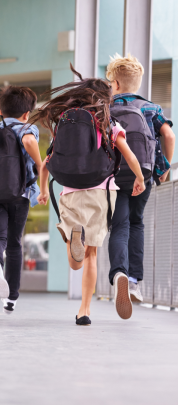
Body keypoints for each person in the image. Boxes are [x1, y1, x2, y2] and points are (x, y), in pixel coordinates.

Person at [34, 66, 145, 325]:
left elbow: (45, 164)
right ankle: (85, 309)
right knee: (92, 254)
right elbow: (128, 154)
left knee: (76, 261)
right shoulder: (108, 122)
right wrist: (139, 178)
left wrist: (41, 191)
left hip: (70, 192)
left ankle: (75, 240)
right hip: (101, 191)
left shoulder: (64, 121)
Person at [106, 54, 175, 316]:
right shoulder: (152, 108)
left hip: (113, 175)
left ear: (115, 84)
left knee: (119, 226)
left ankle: (119, 273)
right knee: (137, 223)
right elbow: (169, 134)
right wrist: (165, 166)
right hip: (143, 176)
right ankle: (133, 282)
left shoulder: (106, 108)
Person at [0, 86, 43, 314]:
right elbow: (28, 142)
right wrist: (40, 164)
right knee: (15, 243)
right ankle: (11, 298)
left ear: (0, 111)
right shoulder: (28, 128)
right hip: (19, 194)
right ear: (27, 113)